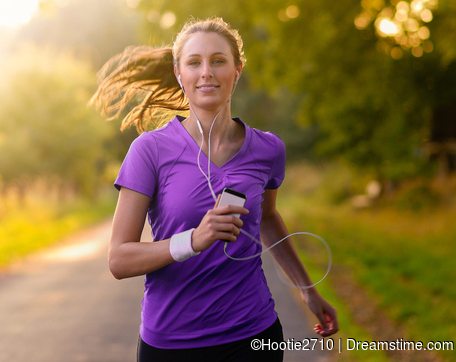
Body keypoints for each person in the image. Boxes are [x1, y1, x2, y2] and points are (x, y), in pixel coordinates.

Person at [90, 17, 339, 361]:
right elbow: (119, 259)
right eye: (194, 62)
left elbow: (266, 218)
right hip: (171, 343)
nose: (206, 72)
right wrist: (193, 240)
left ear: (236, 70)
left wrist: (307, 289)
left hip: (254, 335)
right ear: (180, 74)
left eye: (218, 61)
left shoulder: (268, 150)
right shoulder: (150, 150)